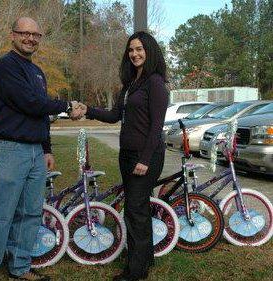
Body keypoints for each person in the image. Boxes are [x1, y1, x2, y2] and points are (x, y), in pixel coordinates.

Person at [0, 17, 82, 281]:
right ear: (13, 35)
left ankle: (19, 268)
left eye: (35, 35)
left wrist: (46, 148)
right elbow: (29, 103)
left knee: (30, 212)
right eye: (24, 33)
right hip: (9, 149)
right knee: (0, 214)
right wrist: (67, 105)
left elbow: (40, 113)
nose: (30, 38)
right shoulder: (5, 67)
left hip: (34, 153)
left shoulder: (37, 72)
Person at [79, 31, 168, 281]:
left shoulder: (155, 83)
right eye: (131, 50)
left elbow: (156, 127)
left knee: (135, 209)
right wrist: (89, 110)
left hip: (145, 156)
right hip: (127, 155)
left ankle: (136, 271)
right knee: (138, 207)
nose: (135, 54)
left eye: (140, 49)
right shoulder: (130, 84)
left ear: (149, 52)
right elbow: (114, 115)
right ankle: (145, 258)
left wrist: (145, 159)